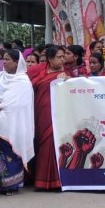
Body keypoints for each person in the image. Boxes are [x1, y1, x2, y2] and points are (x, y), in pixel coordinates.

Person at [0, 50, 34, 195]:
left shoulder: (23, 82)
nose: (4, 62)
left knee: (10, 153)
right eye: (3, 59)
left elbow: (21, 105)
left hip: (13, 124)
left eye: (8, 59)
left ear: (17, 63)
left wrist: (3, 110)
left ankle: (11, 185)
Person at [30, 46, 69, 190]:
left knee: (53, 143)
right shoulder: (38, 70)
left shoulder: (65, 73)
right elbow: (26, 84)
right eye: (59, 57)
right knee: (43, 143)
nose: (62, 59)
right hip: (41, 113)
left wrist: (67, 80)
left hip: (57, 114)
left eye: (63, 56)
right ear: (50, 59)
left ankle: (56, 181)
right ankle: (41, 180)